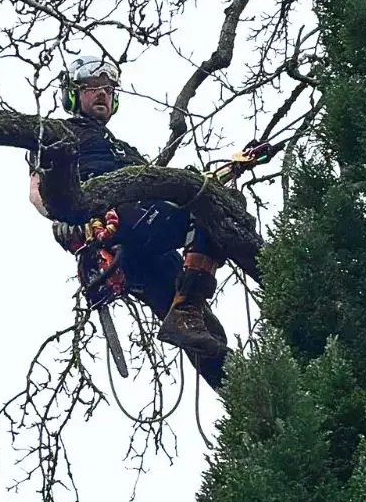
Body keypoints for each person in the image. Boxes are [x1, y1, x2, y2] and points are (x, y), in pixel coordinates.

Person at [29, 56, 229, 385]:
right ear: (73, 94)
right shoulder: (58, 134)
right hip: (116, 224)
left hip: (152, 244)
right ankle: (186, 309)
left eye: (107, 89)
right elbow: (38, 191)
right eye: (92, 88)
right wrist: (65, 217)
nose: (102, 94)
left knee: (209, 334)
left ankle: (230, 379)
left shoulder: (124, 149)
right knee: (201, 202)